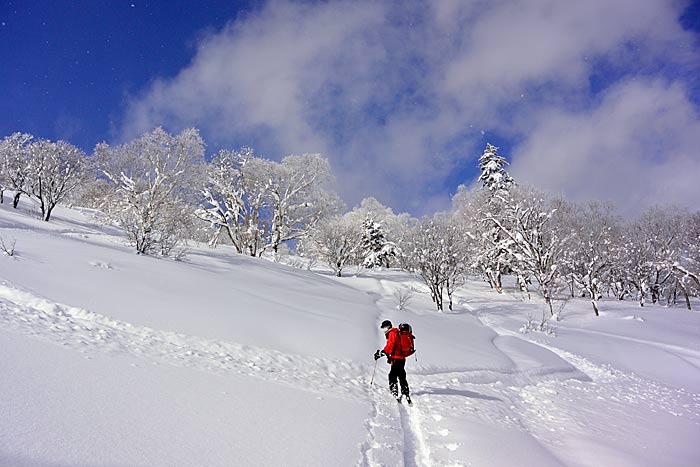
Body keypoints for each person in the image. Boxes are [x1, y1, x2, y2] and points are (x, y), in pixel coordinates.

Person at [374, 320, 411, 404]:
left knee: (392, 375)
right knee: (401, 374)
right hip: (402, 358)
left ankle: (394, 392)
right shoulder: (396, 332)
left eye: (384, 328)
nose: (383, 330)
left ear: (388, 327)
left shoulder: (392, 333)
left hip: (396, 358)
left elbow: (390, 345)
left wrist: (381, 353)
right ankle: (405, 391)